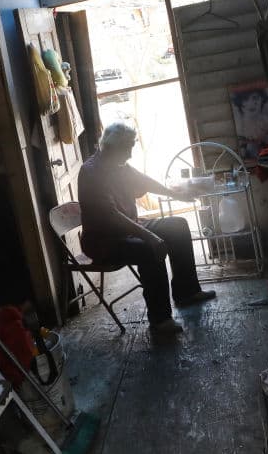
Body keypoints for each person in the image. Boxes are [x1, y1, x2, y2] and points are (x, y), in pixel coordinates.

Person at [77, 122, 215, 335]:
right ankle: (160, 320)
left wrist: (177, 195)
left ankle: (186, 292)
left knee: (178, 226)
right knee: (148, 248)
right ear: (111, 147)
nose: (131, 155)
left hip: (130, 227)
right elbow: (111, 216)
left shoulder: (119, 164)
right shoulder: (91, 172)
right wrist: (150, 236)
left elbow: (145, 181)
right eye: (128, 148)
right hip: (104, 241)